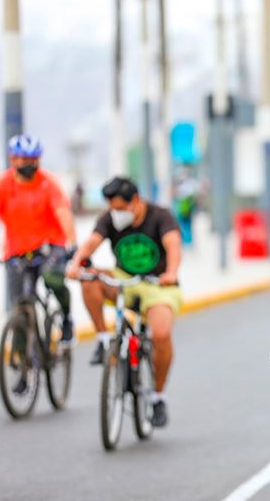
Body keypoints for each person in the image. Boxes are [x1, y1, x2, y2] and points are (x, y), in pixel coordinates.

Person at [67, 177, 182, 427]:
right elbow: (91, 243)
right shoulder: (109, 218)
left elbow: (173, 245)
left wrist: (171, 273)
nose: (116, 214)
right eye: (112, 208)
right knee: (90, 280)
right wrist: (76, 264)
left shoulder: (160, 216)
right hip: (122, 279)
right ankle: (103, 338)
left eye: (120, 208)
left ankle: (157, 396)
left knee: (161, 334)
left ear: (136, 201)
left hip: (157, 284)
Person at [0, 135, 77, 361]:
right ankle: (24, 363)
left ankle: (66, 317)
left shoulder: (48, 183)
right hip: (17, 250)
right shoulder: (2, 184)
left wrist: (72, 243)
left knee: (53, 279)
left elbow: (63, 213)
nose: (27, 164)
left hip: (50, 246)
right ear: (12, 159)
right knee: (20, 306)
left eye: (32, 159)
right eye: (22, 159)